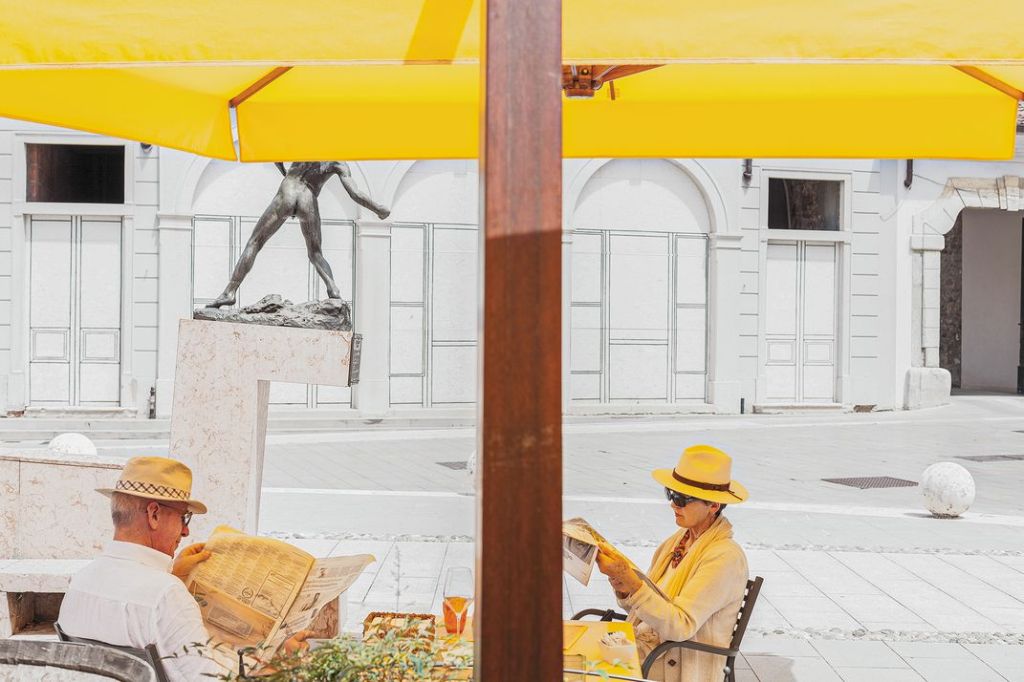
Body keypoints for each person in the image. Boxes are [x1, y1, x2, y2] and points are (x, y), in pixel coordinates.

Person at [57, 456, 310, 681]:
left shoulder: (81, 581)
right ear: (154, 514)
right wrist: (283, 664)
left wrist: (174, 575)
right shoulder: (165, 595)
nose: (186, 531)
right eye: (183, 517)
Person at [595, 445, 749, 682]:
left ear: (713, 505)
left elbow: (679, 626)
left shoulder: (724, 557)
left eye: (681, 499)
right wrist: (624, 585)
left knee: (576, 666)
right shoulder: (678, 541)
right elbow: (648, 609)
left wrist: (634, 584)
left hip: (677, 662)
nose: (673, 504)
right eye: (670, 494)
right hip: (655, 649)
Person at [206, 161, 391, 309]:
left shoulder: (303, 143)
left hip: (288, 191)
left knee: (255, 242)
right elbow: (355, 193)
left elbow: (276, 156)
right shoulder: (338, 163)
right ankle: (333, 289)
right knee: (315, 253)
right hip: (307, 199)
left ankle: (229, 292)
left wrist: (286, 172)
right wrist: (378, 209)